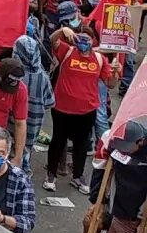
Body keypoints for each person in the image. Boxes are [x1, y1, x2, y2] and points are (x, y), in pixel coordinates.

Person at [46, 24, 119, 194]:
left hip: (86, 111)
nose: (83, 42)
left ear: (93, 41)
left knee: (82, 144)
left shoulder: (100, 59)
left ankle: (77, 176)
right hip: (62, 108)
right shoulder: (68, 51)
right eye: (80, 38)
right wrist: (62, 31)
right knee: (58, 141)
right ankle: (51, 175)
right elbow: (51, 40)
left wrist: (115, 73)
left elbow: (110, 84)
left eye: (87, 39)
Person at [12, 35, 54, 174]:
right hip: (32, 125)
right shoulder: (42, 76)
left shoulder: (12, 74)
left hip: (11, 124)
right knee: (25, 153)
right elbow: (49, 102)